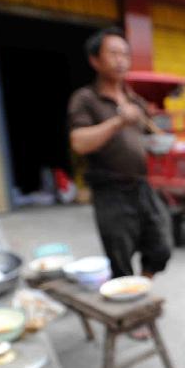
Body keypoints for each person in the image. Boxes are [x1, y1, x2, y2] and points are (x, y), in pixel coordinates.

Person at [68, 27, 171, 283]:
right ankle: (128, 313)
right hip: (110, 190)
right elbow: (79, 143)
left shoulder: (135, 101)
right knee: (119, 257)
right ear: (95, 60)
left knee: (161, 247)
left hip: (142, 186)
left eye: (125, 54)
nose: (121, 60)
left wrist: (159, 143)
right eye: (113, 53)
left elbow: (148, 137)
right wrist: (117, 122)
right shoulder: (85, 99)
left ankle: (141, 288)